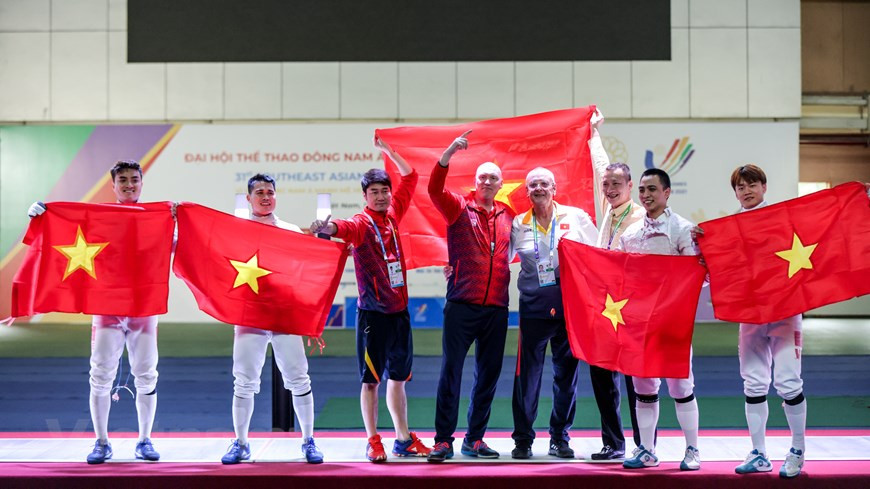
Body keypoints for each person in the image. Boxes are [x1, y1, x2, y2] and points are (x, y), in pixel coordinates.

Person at [28, 160, 161, 464]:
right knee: (100, 374)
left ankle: (144, 440)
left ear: (142, 183)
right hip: (107, 308)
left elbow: (180, 245)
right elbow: (63, 228)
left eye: (135, 180)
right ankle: (102, 442)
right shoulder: (97, 219)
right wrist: (41, 215)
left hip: (143, 308)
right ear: (113, 185)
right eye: (123, 180)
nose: (129, 185)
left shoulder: (158, 218)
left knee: (147, 374)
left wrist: (181, 220)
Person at [310, 138, 431, 463]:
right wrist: (326, 227)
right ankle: (373, 439)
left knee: (398, 380)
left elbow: (411, 177)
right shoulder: (362, 224)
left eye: (384, 190)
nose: (380, 196)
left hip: (400, 315)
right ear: (365, 196)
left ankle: (403, 439)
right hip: (373, 318)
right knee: (370, 382)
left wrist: (390, 152)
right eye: (374, 192)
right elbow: (341, 228)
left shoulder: (394, 215)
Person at [220, 173, 324, 465]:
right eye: (260, 192)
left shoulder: (290, 230)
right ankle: (240, 443)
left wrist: (328, 246)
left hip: (283, 314)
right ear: (249, 197)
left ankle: (308, 441)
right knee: (244, 381)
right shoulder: (235, 230)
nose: (266, 196)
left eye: (270, 192)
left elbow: (307, 265)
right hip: (249, 315)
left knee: (298, 378)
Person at [426, 131, 515, 462]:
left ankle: (474, 439)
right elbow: (434, 188)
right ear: (475, 182)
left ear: (500, 184)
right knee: (451, 372)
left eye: (494, 178)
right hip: (462, 305)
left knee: (488, 375)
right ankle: (443, 440)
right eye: (483, 177)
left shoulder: (508, 215)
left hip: (496, 309)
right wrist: (448, 152)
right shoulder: (457, 207)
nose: (488, 182)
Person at [722, 164, 807, 478]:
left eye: (752, 184)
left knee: (788, 381)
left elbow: (819, 230)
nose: (746, 191)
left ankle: (797, 449)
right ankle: (759, 453)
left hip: (785, 313)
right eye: (740, 187)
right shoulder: (729, 227)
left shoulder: (784, 219)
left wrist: (856, 200)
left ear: (764, 187)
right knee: (754, 382)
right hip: (751, 315)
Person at [509, 167, 598, 460]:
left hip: (570, 308)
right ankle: (523, 439)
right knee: (527, 377)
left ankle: (559, 437)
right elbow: (496, 255)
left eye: (544, 184)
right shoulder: (518, 224)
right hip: (533, 309)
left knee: (566, 377)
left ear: (554, 188)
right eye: (532, 184)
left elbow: (600, 254)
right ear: (526, 191)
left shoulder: (576, 218)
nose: (538, 188)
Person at [616, 168, 702, 471]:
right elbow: (616, 276)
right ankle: (647, 450)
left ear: (667, 192)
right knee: (644, 388)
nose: (646, 195)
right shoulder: (629, 235)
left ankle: (692, 449)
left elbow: (697, 279)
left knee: (680, 387)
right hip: (641, 324)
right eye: (642, 190)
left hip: (674, 323)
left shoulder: (683, 230)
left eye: (652, 189)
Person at [587, 114, 650, 461]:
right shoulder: (606, 211)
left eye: (616, 184)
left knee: (634, 380)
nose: (609, 188)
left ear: (630, 187)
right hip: (603, 307)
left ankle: (643, 443)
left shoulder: (641, 216)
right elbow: (600, 166)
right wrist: (594, 131)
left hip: (630, 309)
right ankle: (613, 443)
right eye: (606, 185)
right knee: (601, 376)